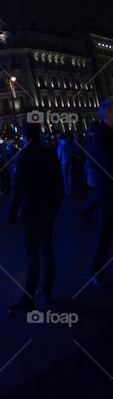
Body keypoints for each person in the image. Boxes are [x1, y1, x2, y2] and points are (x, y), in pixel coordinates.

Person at [8, 122, 64, 310]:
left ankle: (28, 297)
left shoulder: (24, 155)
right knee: (47, 249)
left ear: (24, 135)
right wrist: (56, 206)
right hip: (48, 209)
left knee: (32, 254)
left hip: (31, 210)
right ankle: (47, 290)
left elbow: (18, 186)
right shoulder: (49, 151)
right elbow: (59, 182)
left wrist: (11, 212)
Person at [89, 100, 113, 287]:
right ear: (108, 114)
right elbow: (107, 163)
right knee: (105, 234)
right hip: (108, 193)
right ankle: (96, 272)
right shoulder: (101, 137)